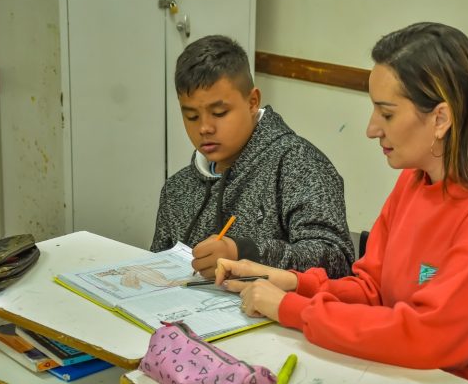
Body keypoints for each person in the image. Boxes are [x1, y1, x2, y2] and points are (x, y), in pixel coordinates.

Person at [213, 23, 468, 384]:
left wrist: (291, 309)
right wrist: (294, 284)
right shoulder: (415, 181)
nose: (371, 128)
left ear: (441, 118)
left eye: (387, 113)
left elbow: (428, 334)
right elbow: (374, 290)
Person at [151, 35, 354, 279]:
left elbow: (337, 262)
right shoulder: (177, 189)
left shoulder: (297, 164)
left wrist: (245, 252)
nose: (204, 128)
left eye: (219, 112)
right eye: (192, 116)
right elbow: (158, 270)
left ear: (252, 101)